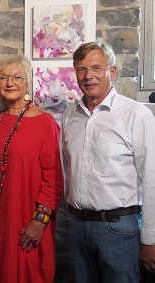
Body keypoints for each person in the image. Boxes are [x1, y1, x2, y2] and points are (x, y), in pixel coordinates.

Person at [61, 41, 155, 283]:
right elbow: (65, 170)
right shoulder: (70, 114)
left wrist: (150, 239)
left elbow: (152, 179)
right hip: (77, 226)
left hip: (119, 229)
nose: (88, 76)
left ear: (111, 72)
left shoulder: (136, 115)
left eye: (96, 68)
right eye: (81, 69)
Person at [0, 54, 64, 283]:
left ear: (28, 83)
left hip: (28, 217)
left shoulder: (45, 123)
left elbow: (54, 177)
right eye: (3, 77)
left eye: (17, 77)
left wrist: (40, 220)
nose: (10, 83)